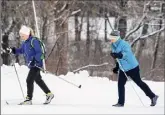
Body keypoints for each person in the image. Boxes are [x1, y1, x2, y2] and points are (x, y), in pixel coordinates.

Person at [108, 30, 158, 107]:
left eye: (112, 38)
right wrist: (117, 67)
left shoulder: (124, 44)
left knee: (139, 83)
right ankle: (120, 103)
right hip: (123, 68)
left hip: (132, 67)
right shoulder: (113, 45)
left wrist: (118, 55)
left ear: (117, 38)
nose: (111, 39)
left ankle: (153, 96)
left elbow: (126, 54)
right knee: (120, 84)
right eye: (110, 37)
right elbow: (117, 58)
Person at [7, 25, 54, 105]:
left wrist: (35, 60)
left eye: (23, 35)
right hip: (31, 64)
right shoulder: (25, 43)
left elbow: (39, 52)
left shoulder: (34, 41)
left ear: (27, 34)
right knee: (38, 80)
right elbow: (21, 50)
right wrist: (13, 50)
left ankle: (29, 99)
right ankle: (49, 94)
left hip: (36, 64)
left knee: (29, 80)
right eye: (21, 35)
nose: (21, 37)